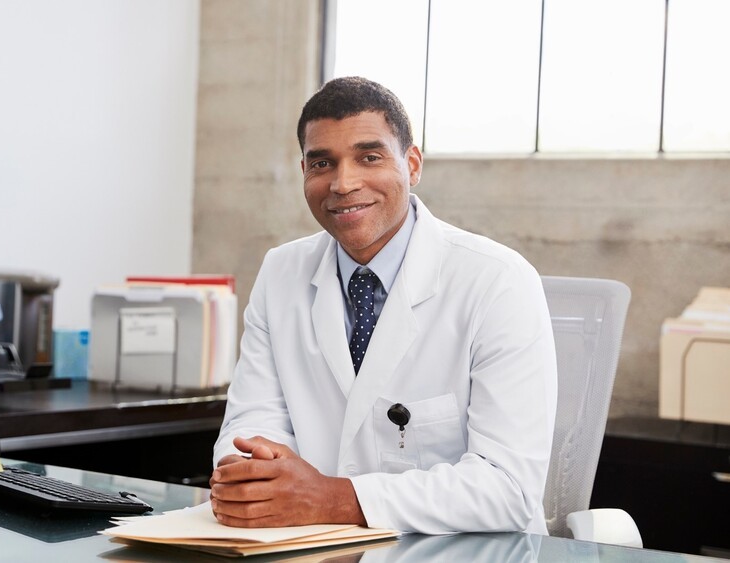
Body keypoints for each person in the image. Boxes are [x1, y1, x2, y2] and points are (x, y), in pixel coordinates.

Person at [210, 76, 557, 535]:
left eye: (369, 157)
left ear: (412, 165)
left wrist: (331, 498)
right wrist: (252, 474)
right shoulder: (281, 272)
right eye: (322, 163)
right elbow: (253, 421)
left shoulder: (498, 281)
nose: (343, 183)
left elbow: (507, 488)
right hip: (317, 547)